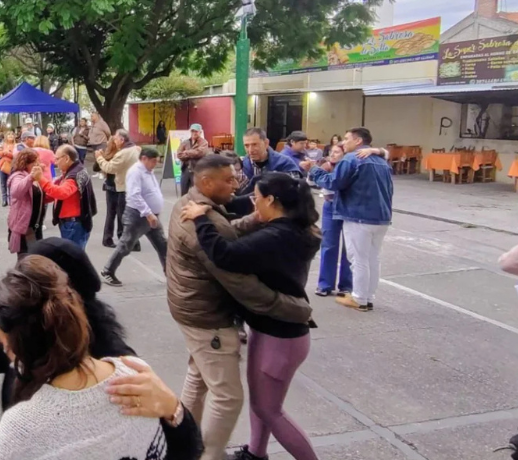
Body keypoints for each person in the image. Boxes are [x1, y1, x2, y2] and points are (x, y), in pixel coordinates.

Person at [0, 255, 203, 460]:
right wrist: (175, 410)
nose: (2, 352)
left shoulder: (22, 429)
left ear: (19, 346)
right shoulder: (136, 374)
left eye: (3, 345)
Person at [168, 154, 312, 460]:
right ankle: (206, 453)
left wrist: (205, 218)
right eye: (230, 179)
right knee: (231, 398)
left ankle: (189, 448)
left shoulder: (191, 205)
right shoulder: (204, 216)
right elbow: (234, 271)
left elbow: (228, 237)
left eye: (252, 193)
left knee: (263, 406)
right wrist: (292, 307)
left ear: (272, 202)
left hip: (271, 332)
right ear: (206, 182)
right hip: (211, 317)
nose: (239, 186)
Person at [0, 238, 137, 408]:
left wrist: (166, 407)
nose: (7, 349)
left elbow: (155, 424)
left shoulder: (116, 360)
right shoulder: (26, 333)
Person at [303, 127, 393, 312]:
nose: (343, 143)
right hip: (381, 216)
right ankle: (367, 296)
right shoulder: (381, 161)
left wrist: (314, 169)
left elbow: (333, 183)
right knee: (372, 258)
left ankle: (359, 298)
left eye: (346, 139)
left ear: (358, 141)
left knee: (358, 258)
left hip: (359, 215)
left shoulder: (352, 159)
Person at [101, 148, 167, 286]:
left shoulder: (149, 172)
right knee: (126, 244)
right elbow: (134, 195)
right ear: (144, 159)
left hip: (151, 216)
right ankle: (108, 271)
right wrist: (148, 213)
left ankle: (172, 274)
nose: (156, 163)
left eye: (157, 160)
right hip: (138, 215)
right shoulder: (135, 172)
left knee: (163, 245)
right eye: (153, 161)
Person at [37, 145, 96, 249]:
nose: (55, 162)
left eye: (57, 158)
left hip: (73, 224)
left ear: (67, 158)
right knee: (73, 256)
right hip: (73, 223)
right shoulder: (75, 170)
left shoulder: (74, 175)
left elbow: (61, 193)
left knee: (72, 258)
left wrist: (41, 179)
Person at [315, 145, 351, 297]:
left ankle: (346, 285)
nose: (332, 155)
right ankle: (325, 284)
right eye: (331, 152)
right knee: (328, 244)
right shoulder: (326, 165)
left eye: (337, 152)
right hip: (330, 205)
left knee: (349, 247)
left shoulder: (350, 167)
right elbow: (315, 182)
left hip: (347, 207)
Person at [96, 129, 141, 248]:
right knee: (116, 214)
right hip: (116, 186)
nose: (114, 142)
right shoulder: (132, 149)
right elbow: (98, 168)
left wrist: (99, 158)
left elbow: (110, 168)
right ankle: (117, 239)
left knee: (122, 215)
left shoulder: (123, 153)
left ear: (121, 140)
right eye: (113, 140)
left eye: (116, 139)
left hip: (122, 187)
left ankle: (128, 240)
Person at [239, 127, 304, 194]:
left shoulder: (285, 163)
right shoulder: (241, 165)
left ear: (266, 143)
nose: (250, 150)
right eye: (246, 146)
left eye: (255, 144)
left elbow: (295, 191)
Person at [6, 149, 43, 257]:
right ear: (26, 163)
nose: (37, 165)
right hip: (25, 226)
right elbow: (16, 192)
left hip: (34, 225)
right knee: (27, 258)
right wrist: (31, 177)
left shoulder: (32, 176)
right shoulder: (18, 176)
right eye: (34, 162)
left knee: (35, 257)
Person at [176, 123, 210, 196]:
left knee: (197, 193)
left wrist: (186, 152)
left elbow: (200, 153)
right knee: (183, 192)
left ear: (200, 132)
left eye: (196, 131)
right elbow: (179, 154)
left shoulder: (204, 142)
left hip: (197, 170)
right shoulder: (185, 142)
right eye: (192, 131)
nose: (194, 133)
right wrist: (192, 153)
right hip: (185, 170)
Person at [0, 132, 17, 207]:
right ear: (6, 137)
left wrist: (7, 154)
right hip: (1, 166)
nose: (10, 136)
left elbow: (15, 156)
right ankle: (4, 199)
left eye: (12, 135)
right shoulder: (2, 145)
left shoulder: (16, 146)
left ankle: (10, 198)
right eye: (9, 135)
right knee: (3, 183)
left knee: (10, 183)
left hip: (12, 167)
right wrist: (4, 152)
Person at [88, 112, 112, 177]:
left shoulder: (102, 123)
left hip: (101, 143)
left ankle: (102, 173)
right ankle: (98, 172)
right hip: (94, 144)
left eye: (92, 116)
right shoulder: (93, 124)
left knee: (101, 158)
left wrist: (106, 140)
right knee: (96, 158)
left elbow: (108, 132)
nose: (91, 118)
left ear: (96, 116)